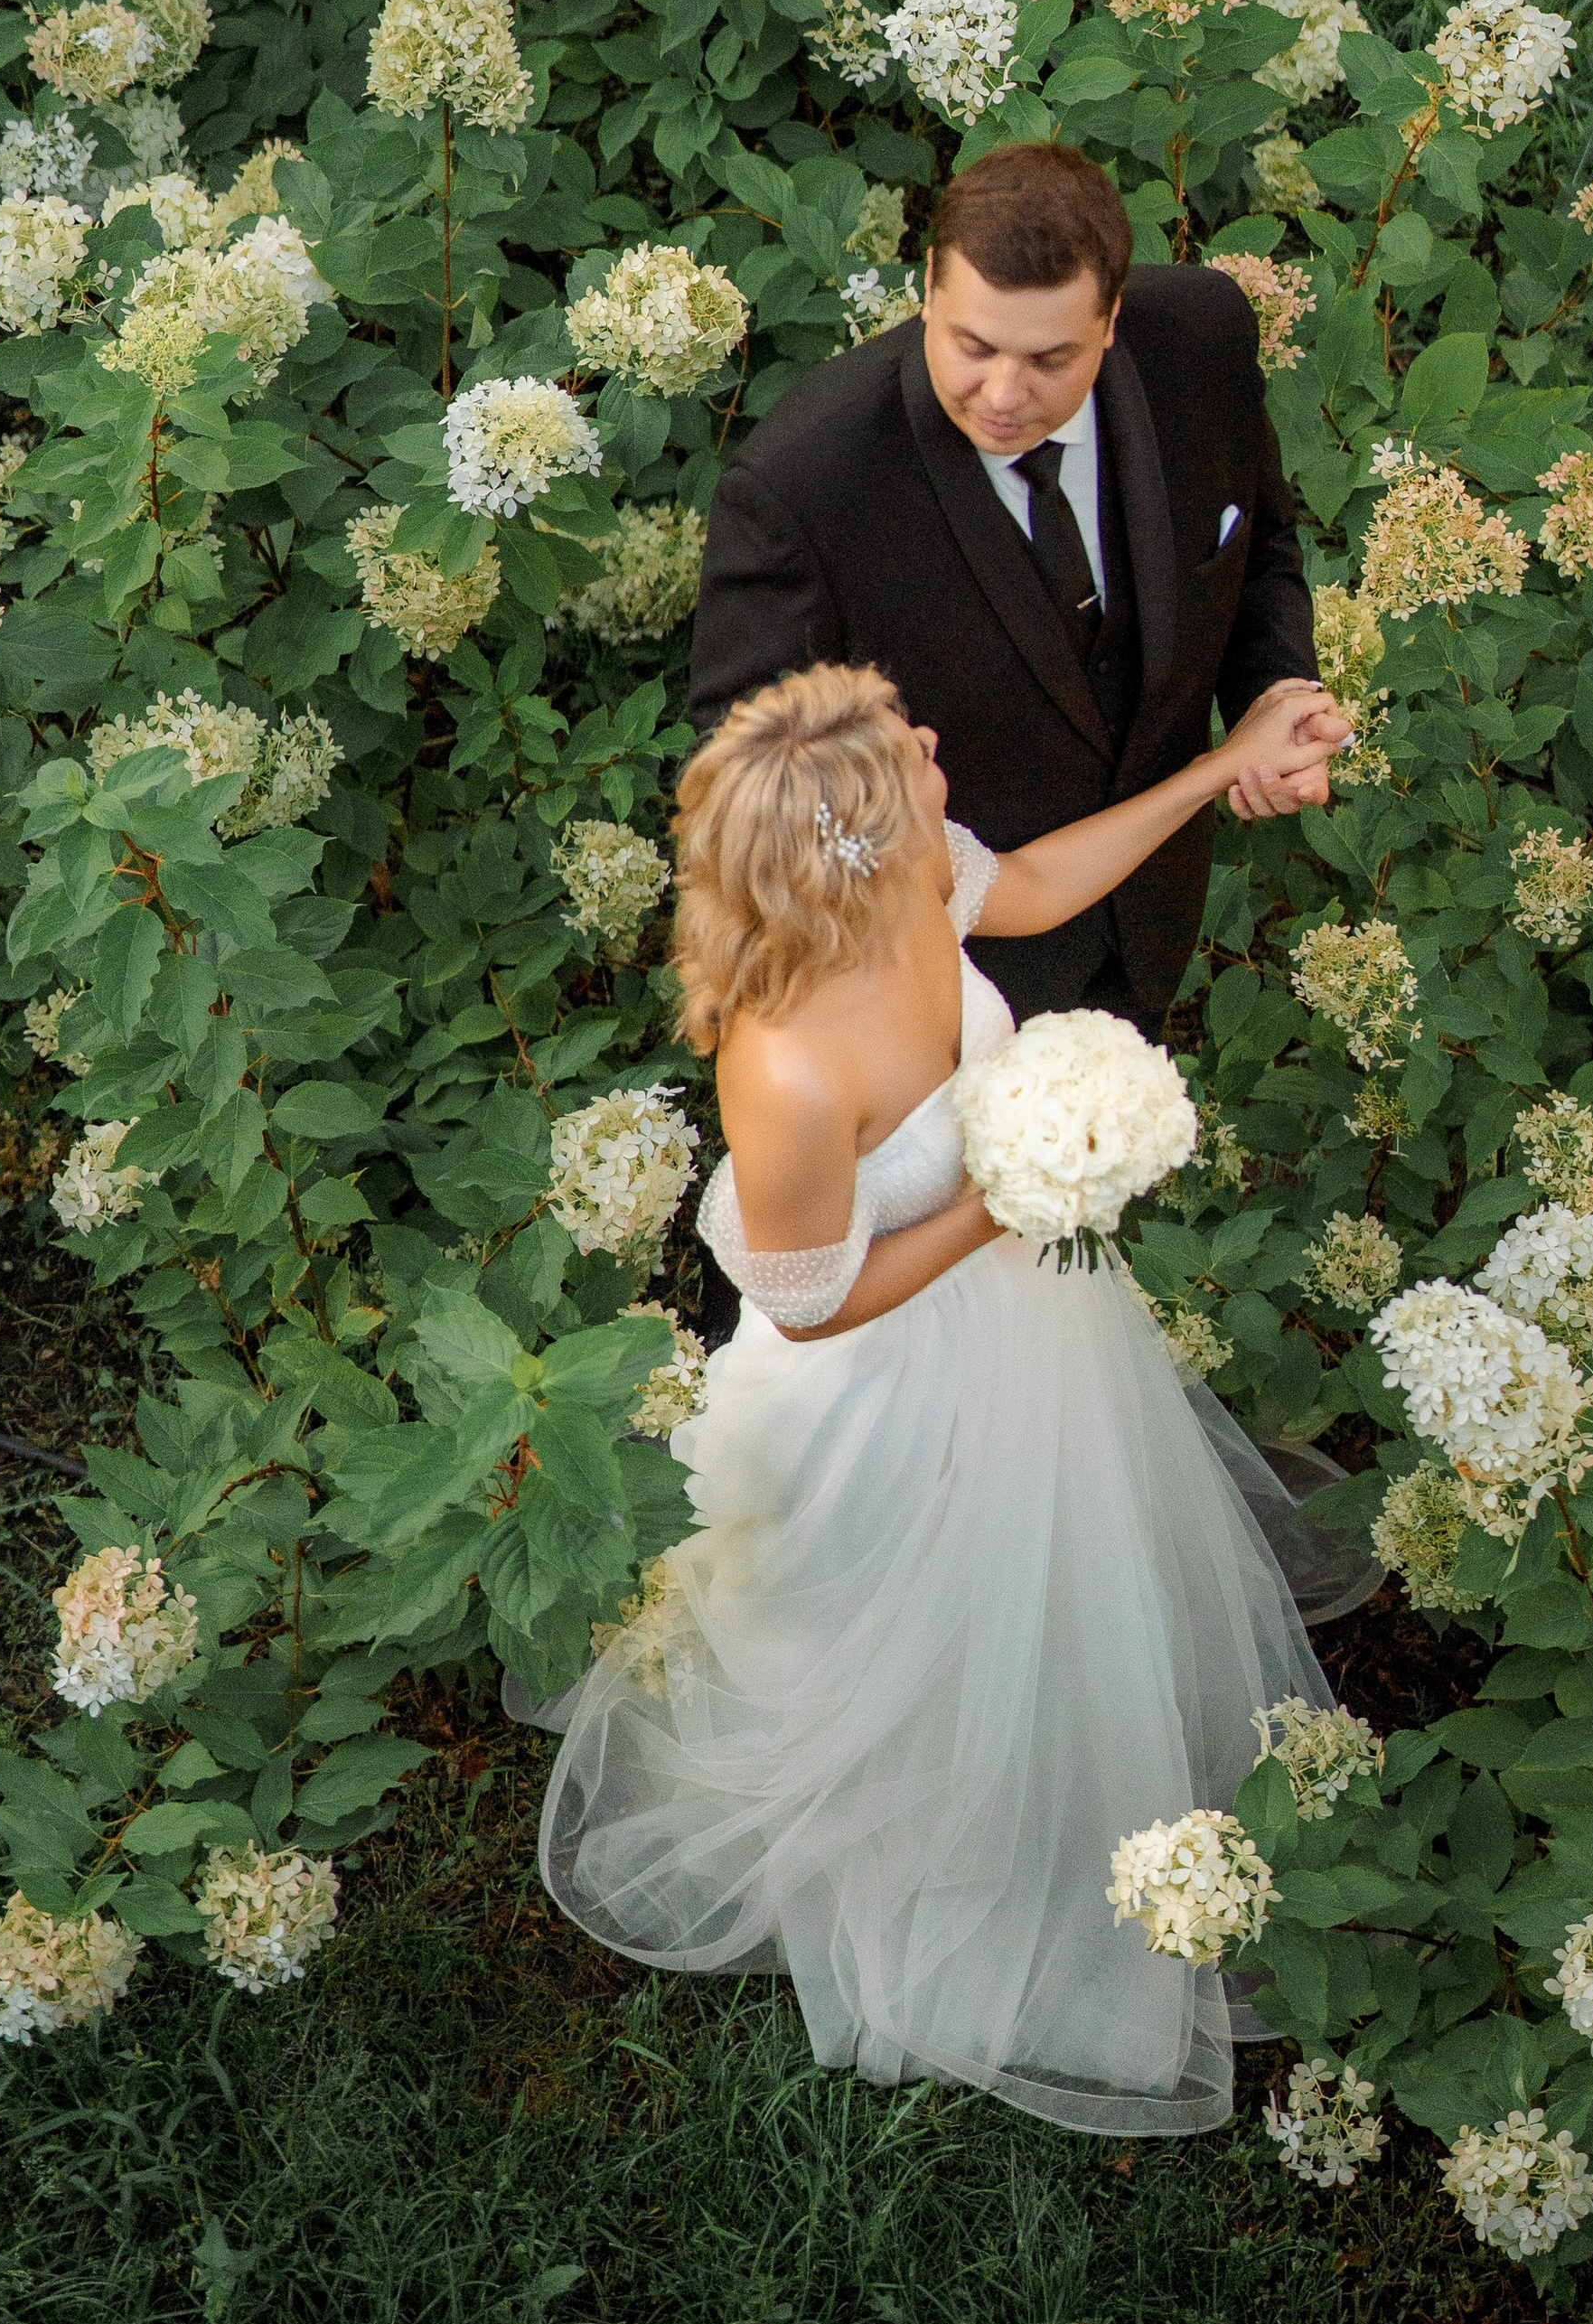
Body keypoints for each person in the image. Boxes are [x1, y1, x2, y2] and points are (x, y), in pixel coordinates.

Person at [532, 661, 1350, 2137]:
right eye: (902, 752)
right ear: (850, 844)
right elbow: (811, 1298)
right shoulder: (785, 1061)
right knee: (920, 1639)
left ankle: (1069, 1783)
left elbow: (1035, 885)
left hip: (1027, 1323)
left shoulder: (915, 879)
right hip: (877, 1395)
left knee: (1066, 1575)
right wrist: (1016, 1191)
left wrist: (1213, 767)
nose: (928, 737)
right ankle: (950, 1867)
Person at [689, 138, 1332, 1041]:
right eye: (973, 346)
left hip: (1148, 932)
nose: (1001, 394)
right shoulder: (804, 486)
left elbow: (1258, 545)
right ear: (928, 287)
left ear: (1111, 318)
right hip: (926, 997)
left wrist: (1276, 695)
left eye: (1049, 360)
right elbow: (746, 786)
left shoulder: (1200, 338)